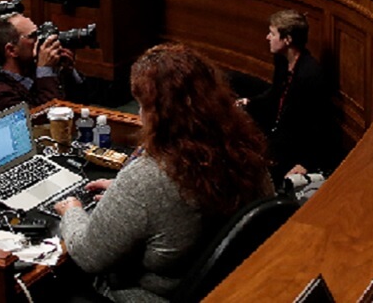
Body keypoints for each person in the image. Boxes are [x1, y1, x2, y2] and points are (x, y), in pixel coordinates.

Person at [53, 44, 273, 302]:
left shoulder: (148, 177)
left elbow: (89, 256)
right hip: (226, 287)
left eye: (143, 106)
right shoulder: (244, 147)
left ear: (160, 115)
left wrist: (72, 211)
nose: (140, 114)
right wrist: (123, 199)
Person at [240, 11, 340, 181]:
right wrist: (249, 102)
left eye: (272, 33)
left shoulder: (311, 74)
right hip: (279, 135)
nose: (267, 37)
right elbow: (275, 95)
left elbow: (319, 127)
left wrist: (305, 163)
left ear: (287, 39)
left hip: (296, 149)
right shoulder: (282, 60)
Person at [0, 13, 67, 114]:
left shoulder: (34, 74)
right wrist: (45, 70)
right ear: (12, 50)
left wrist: (67, 68)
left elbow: (81, 104)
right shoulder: (0, 95)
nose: (39, 40)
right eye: (33, 36)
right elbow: (46, 120)